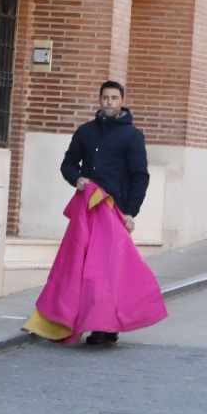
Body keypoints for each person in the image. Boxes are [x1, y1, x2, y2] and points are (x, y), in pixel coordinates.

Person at [23, 79, 166, 346]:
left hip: (113, 212)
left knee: (104, 272)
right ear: (99, 100)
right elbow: (68, 163)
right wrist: (76, 179)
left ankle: (105, 326)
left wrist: (130, 212)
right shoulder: (85, 132)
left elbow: (139, 176)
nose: (109, 102)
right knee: (75, 265)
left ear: (122, 100)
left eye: (114, 98)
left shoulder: (132, 136)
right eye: (105, 98)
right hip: (85, 211)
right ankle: (63, 318)